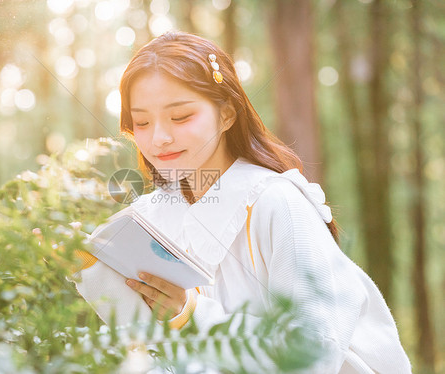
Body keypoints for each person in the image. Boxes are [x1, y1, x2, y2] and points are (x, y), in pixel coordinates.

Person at [74, 31, 411, 373]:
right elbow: (144, 342)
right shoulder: (147, 218)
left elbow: (313, 351)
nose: (159, 137)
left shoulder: (278, 204)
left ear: (227, 114)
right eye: (142, 122)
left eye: (180, 117)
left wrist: (191, 315)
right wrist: (85, 264)